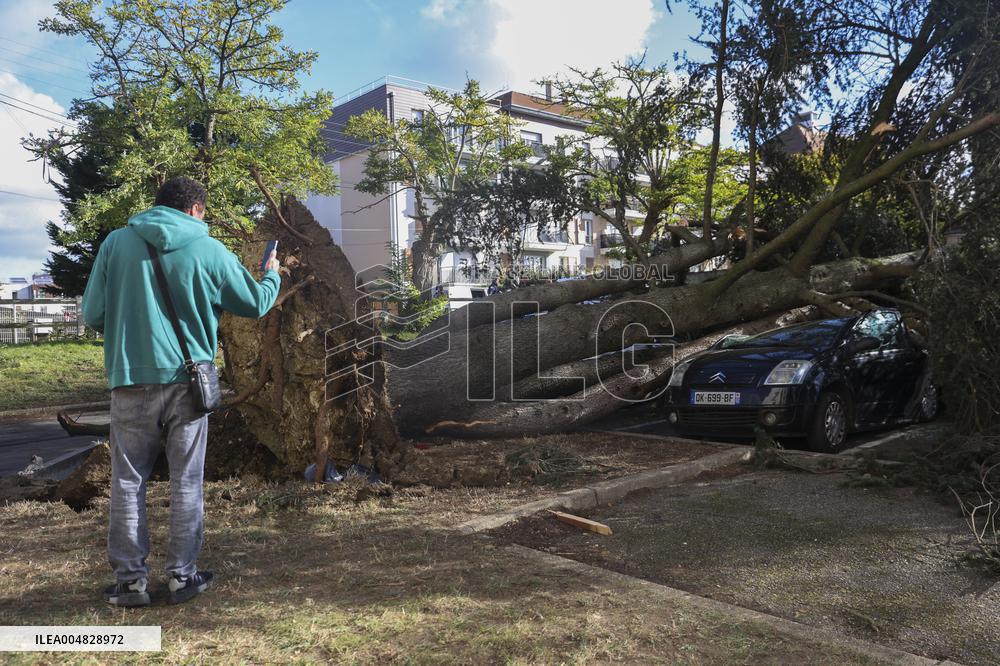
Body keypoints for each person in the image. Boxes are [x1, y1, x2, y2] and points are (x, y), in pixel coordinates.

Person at [82, 176, 281, 607]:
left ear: (157, 206)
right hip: (190, 382)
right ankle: (181, 577)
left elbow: (92, 312)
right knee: (186, 481)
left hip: (129, 378)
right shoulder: (208, 248)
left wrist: (126, 330)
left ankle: (130, 583)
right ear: (196, 210)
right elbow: (255, 303)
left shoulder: (117, 243)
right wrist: (273, 277)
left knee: (127, 480)